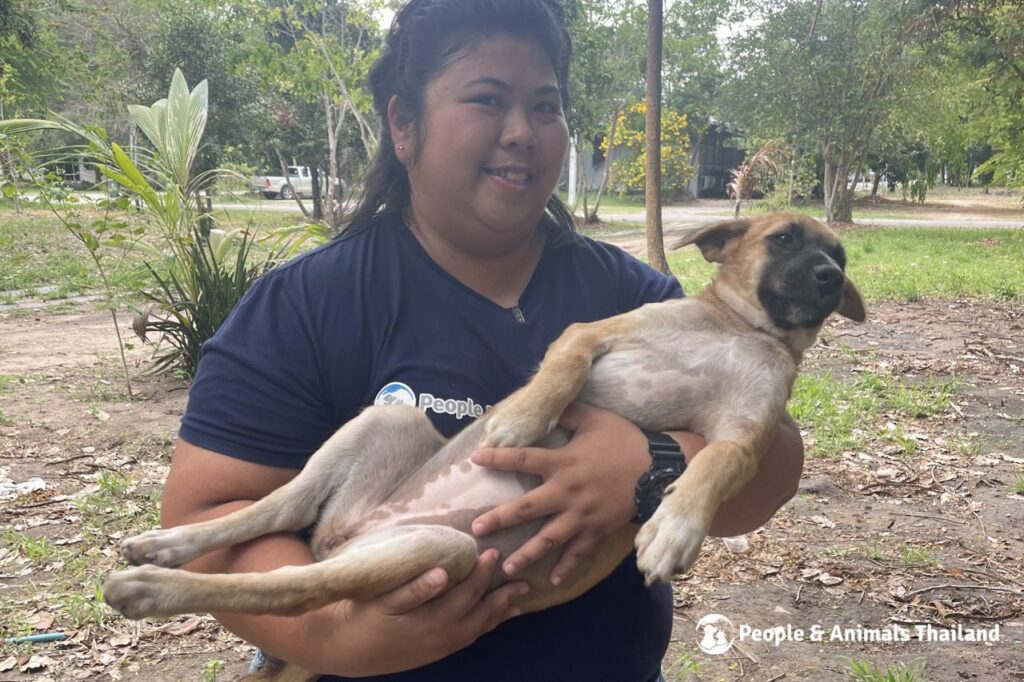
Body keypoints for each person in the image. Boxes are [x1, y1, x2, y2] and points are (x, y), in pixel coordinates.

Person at [162, 0, 805, 680]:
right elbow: (205, 516)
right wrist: (336, 639)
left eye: (546, 107)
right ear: (404, 125)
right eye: (488, 100)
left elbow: (773, 461)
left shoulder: (631, 294)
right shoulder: (309, 303)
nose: (522, 132)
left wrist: (657, 466)